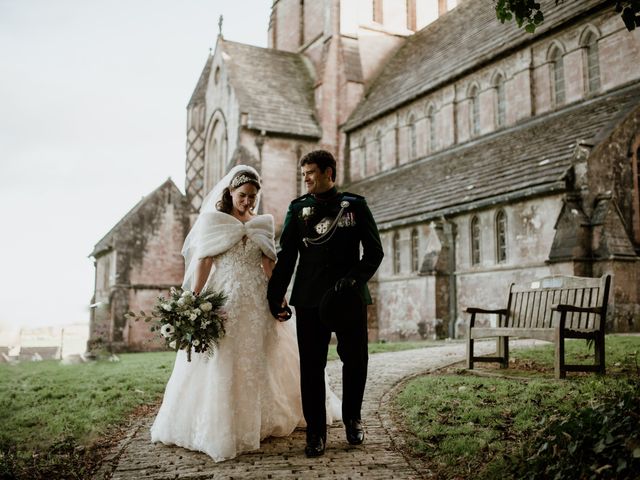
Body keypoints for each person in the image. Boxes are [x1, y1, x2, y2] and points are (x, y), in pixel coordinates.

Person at [151, 165, 340, 462]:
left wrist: (279, 300)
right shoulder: (215, 221)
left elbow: (269, 267)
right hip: (223, 298)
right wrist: (193, 299)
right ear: (230, 192)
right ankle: (226, 423)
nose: (248, 201)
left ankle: (267, 416)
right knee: (223, 357)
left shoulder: (262, 223)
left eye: (253, 196)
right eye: (243, 195)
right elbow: (203, 262)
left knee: (263, 354)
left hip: (257, 299)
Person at [267, 150, 384, 457]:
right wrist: (274, 294)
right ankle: (316, 433)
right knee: (311, 367)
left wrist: (355, 278)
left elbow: (374, 252)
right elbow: (287, 255)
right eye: (303, 173)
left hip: (348, 297)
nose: (305, 178)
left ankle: (353, 419)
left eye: (311, 173)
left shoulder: (355, 206)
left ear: (329, 173)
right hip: (309, 299)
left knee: (355, 361)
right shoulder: (298, 209)